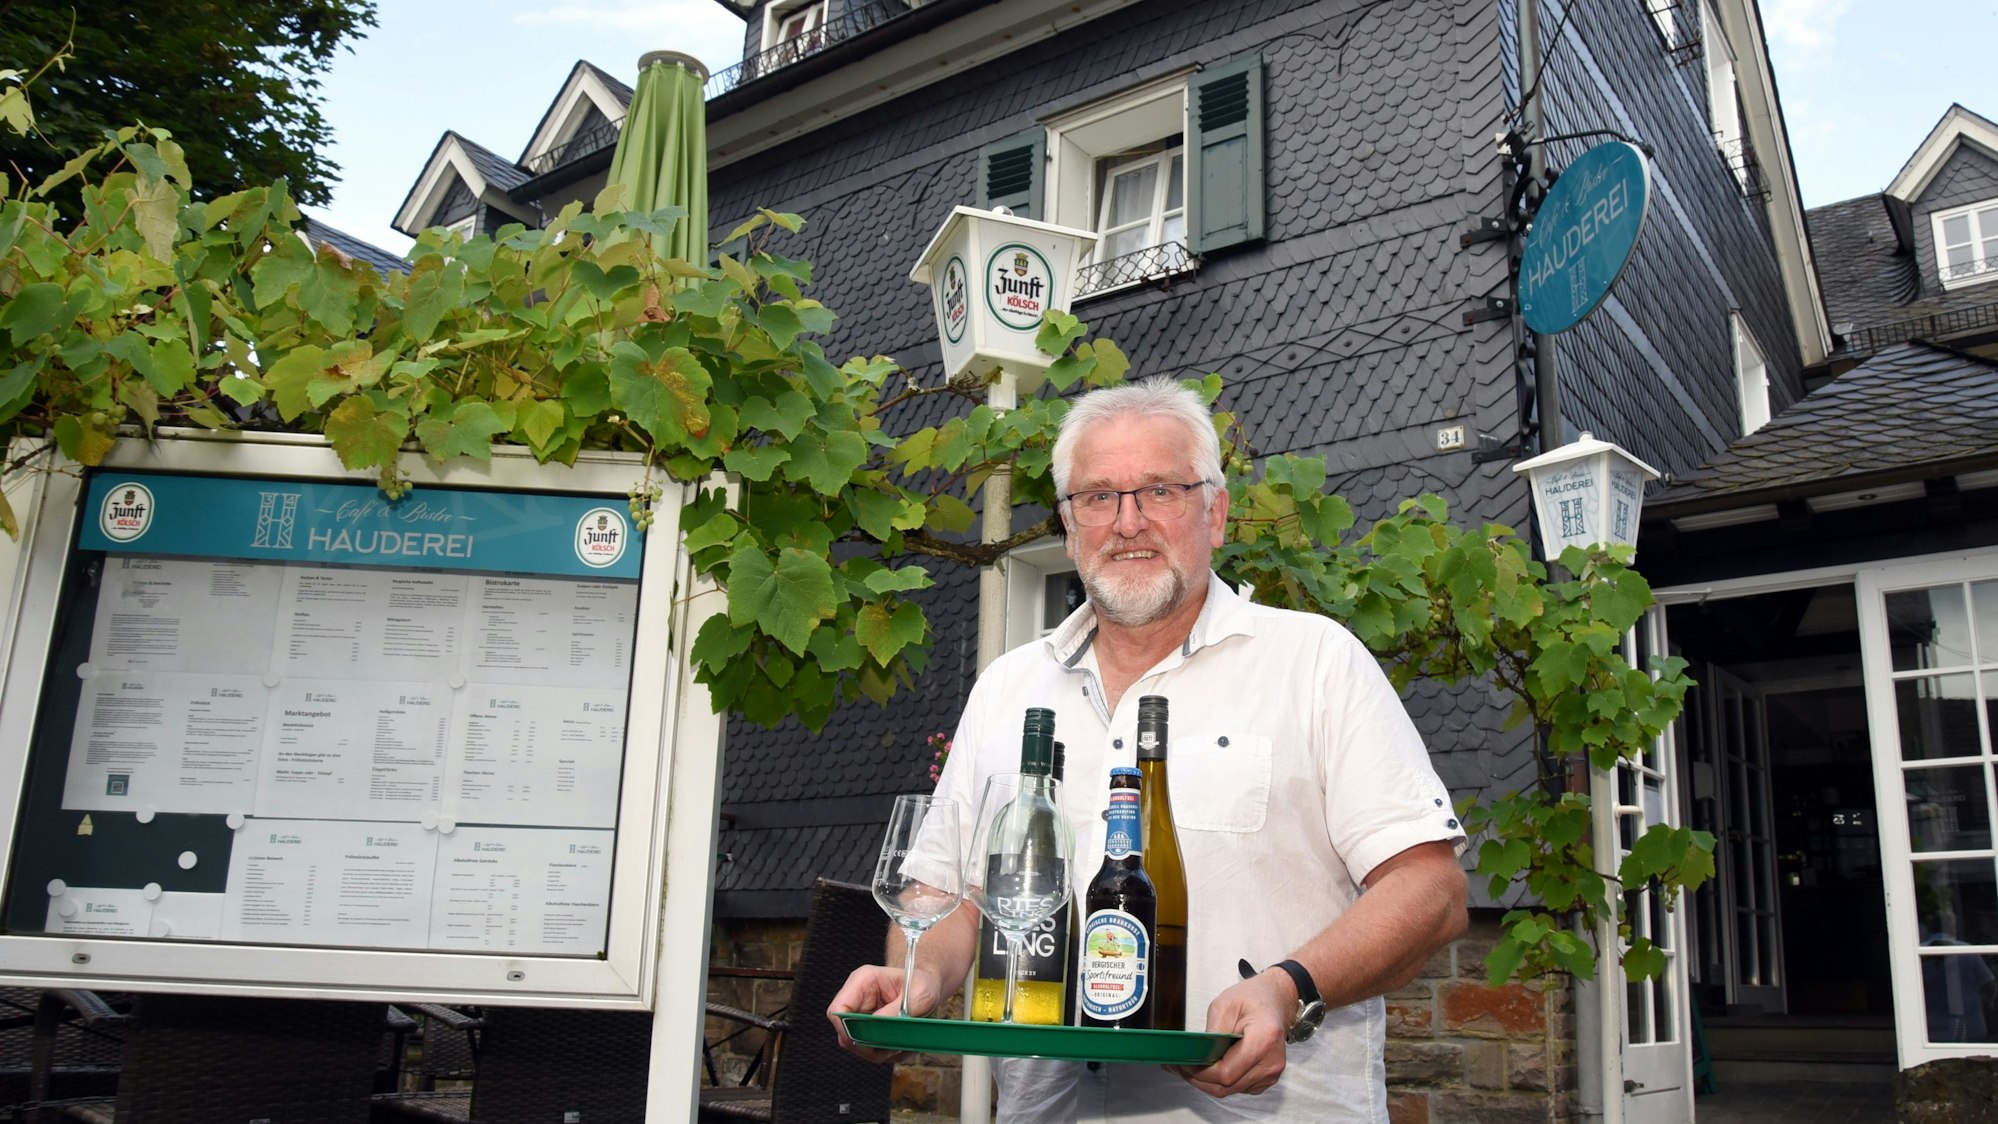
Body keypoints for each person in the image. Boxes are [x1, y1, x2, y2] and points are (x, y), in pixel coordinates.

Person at [828, 377, 1469, 1121]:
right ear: (1069, 527)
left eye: (1161, 490)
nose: (1128, 522)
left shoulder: (1316, 663)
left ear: (1216, 512)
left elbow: (1432, 891)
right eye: (1098, 497)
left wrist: (1287, 985)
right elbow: (950, 897)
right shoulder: (1007, 689)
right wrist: (911, 985)